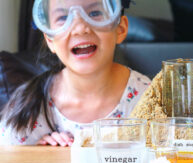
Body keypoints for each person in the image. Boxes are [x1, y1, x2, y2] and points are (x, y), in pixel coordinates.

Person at [0, 0, 151, 146]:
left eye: (94, 13)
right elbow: (8, 161)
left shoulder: (147, 97)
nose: (80, 29)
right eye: (63, 18)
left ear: (120, 29)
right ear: (50, 40)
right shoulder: (29, 107)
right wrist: (40, 151)